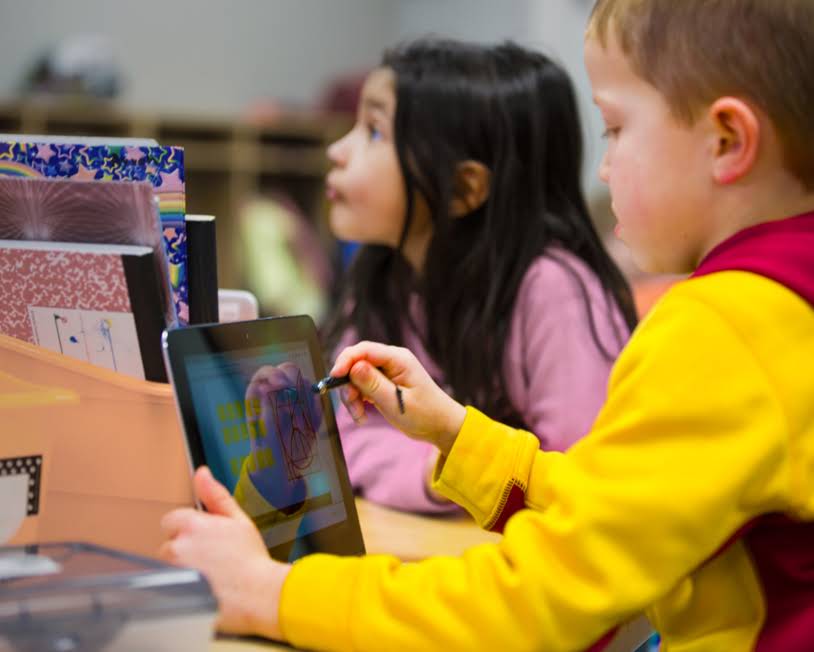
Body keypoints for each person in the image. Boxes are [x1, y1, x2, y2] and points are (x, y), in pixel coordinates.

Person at [160, 1, 814, 649]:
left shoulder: (722, 328)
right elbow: (615, 505)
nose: (604, 166)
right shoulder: (780, 305)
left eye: (615, 129)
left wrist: (273, 594)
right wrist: (454, 434)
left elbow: (539, 603)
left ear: (727, 141)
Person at [322, 38, 636, 512]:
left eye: (375, 131)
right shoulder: (383, 278)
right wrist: (445, 470)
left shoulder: (554, 289)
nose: (337, 150)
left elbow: (578, 473)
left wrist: (459, 461)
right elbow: (345, 438)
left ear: (463, 189)